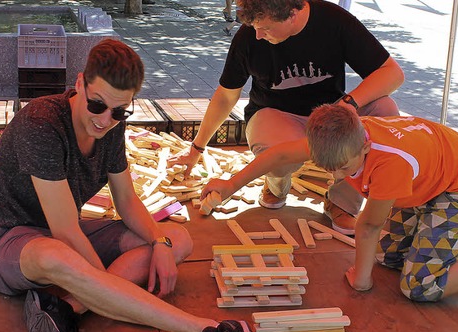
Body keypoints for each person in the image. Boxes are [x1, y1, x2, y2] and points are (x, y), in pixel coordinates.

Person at [0, 39, 264, 332]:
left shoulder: (111, 124)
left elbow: (126, 200)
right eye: (96, 105)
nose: (105, 120)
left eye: (119, 111)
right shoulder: (41, 124)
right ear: (79, 83)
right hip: (8, 240)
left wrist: (159, 243)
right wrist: (111, 288)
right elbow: (65, 232)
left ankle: (68, 308)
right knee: (55, 255)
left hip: (62, 233)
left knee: (177, 238)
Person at [201, 104, 458, 314]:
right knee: (390, 255)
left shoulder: (388, 165)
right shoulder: (339, 140)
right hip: (428, 183)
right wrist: (230, 185)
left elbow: (368, 226)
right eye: (328, 168)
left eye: (343, 168)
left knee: (420, 286)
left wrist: (361, 279)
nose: (336, 176)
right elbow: (277, 155)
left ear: (365, 144)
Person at [170, 0, 405, 236]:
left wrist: (348, 105)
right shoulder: (248, 36)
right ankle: (276, 183)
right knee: (277, 154)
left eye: (266, 28)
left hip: (330, 116)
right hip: (275, 115)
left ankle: (343, 202)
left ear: (293, 13)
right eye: (254, 26)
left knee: (384, 110)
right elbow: (225, 96)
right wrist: (196, 148)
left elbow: (392, 73)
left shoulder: (335, 21)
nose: (258, 35)